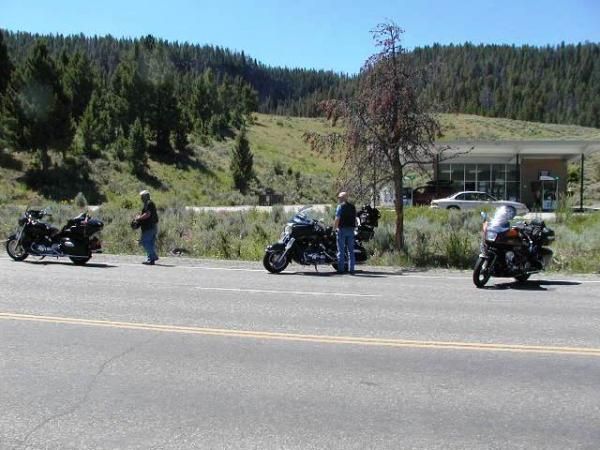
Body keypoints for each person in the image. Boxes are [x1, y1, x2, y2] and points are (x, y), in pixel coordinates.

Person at [334, 191, 357, 274]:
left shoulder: (340, 207)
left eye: (340, 197)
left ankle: (341, 269)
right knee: (351, 251)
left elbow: (337, 219)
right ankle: (352, 269)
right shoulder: (352, 207)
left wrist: (334, 229)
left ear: (343, 198)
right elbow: (354, 219)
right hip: (351, 230)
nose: (339, 199)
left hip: (342, 230)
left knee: (341, 250)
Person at [135, 190, 159, 265]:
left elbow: (148, 214)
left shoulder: (149, 203)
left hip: (149, 227)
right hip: (152, 227)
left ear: (146, 197)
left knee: (144, 242)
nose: (141, 198)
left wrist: (138, 218)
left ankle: (153, 256)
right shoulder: (149, 204)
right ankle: (151, 260)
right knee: (150, 244)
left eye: (142, 197)